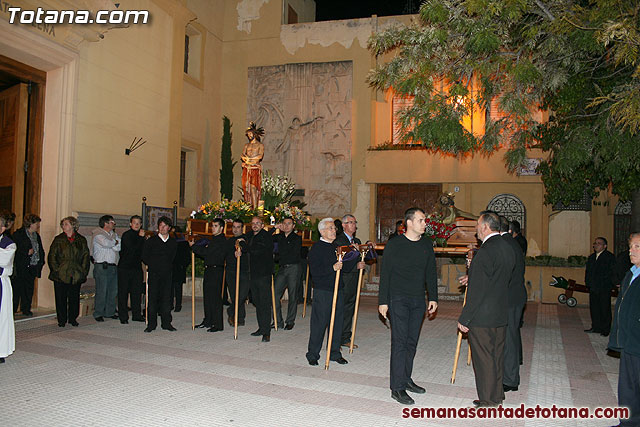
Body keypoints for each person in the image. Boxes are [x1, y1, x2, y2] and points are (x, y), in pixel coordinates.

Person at [378, 207, 438, 405]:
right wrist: (383, 301)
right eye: (421, 220)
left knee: (411, 342)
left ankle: (406, 378)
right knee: (400, 342)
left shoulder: (427, 245)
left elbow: (431, 273)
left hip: (417, 300)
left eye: (424, 220)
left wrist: (433, 298)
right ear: (409, 223)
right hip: (398, 299)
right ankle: (397, 387)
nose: (425, 224)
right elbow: (385, 273)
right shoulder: (395, 244)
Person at [457, 211, 515, 407]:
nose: (476, 231)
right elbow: (496, 280)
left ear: (485, 227)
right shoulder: (508, 247)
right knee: (496, 356)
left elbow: (478, 291)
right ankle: (497, 394)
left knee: (484, 360)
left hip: (483, 316)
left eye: (477, 227)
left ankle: (488, 399)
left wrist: (465, 318)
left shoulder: (485, 251)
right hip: (500, 312)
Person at [306, 218, 361, 366]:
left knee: (337, 322)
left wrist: (356, 258)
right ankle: (312, 354)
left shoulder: (338, 247)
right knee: (319, 323)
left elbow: (346, 267)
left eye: (334, 228)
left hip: (338, 289)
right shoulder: (316, 248)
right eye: (330, 228)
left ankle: (334, 352)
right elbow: (315, 272)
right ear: (322, 231)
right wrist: (332, 268)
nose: (334, 230)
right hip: (323, 291)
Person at [611, 232, 640, 427]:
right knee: (628, 386)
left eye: (637, 247)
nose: (631, 251)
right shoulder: (631, 272)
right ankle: (628, 423)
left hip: (637, 339)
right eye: (631, 247)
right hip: (629, 340)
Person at [499, 216, 526, 393]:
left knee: (508, 339)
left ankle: (509, 380)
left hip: (509, 298)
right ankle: (513, 371)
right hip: (516, 296)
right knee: (512, 335)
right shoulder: (512, 242)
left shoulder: (504, 245)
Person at [48, 216, 90, 327]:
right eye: (63, 224)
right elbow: (52, 256)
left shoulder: (81, 240)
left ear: (73, 225)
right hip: (61, 273)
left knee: (74, 297)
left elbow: (85, 256)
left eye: (66, 224)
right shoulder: (58, 239)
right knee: (60, 297)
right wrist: (57, 270)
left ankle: (73, 318)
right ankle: (61, 320)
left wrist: (83, 271)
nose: (64, 226)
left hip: (75, 273)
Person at [190, 218, 227, 332]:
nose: (213, 228)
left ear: (221, 228)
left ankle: (217, 324)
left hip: (216, 271)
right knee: (208, 297)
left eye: (215, 226)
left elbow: (207, 253)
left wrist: (193, 246)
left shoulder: (220, 240)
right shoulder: (214, 239)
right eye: (212, 226)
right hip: (210, 270)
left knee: (215, 298)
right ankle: (208, 320)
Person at [142, 216, 177, 332]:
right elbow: (145, 256)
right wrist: (154, 265)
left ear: (169, 228)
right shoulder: (151, 241)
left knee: (166, 299)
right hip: (154, 274)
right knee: (152, 299)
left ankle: (166, 323)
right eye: (160, 226)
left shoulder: (172, 242)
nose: (162, 228)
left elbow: (173, 257)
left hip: (167, 274)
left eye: (165, 226)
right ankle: (151, 324)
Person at [334, 214, 363, 347]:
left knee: (349, 309)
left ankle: (345, 337)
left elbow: (360, 257)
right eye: (351, 222)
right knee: (340, 309)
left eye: (355, 222)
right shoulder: (339, 241)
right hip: (343, 279)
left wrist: (361, 262)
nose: (354, 225)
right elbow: (343, 261)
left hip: (354, 279)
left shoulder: (356, 240)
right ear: (344, 225)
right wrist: (355, 254)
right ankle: (335, 339)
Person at [11, 214, 45, 316]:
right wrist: (26, 252)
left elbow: (40, 249)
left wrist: (41, 261)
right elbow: (14, 250)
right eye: (36, 223)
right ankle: (13, 309)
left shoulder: (36, 235)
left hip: (33, 266)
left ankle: (26, 308)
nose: (38, 225)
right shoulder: (19, 235)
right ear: (30, 223)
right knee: (18, 289)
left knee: (29, 288)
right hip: (22, 266)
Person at [272, 217, 302, 330]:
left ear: (293, 226)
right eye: (284, 224)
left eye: (289, 224)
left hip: (293, 268)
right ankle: (277, 320)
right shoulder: (278, 237)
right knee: (274, 294)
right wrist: (275, 227)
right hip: (282, 268)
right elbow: (264, 238)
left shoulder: (297, 238)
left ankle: (290, 321)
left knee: (292, 295)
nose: (286, 226)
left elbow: (292, 254)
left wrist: (278, 256)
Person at [247, 216, 274, 342]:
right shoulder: (250, 235)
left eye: (257, 223)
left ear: (262, 225)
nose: (255, 225)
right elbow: (242, 239)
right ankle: (261, 327)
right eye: (253, 223)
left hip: (264, 274)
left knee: (264, 303)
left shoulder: (266, 236)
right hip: (253, 274)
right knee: (257, 302)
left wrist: (244, 245)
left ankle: (266, 332)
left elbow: (256, 250)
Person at [584, 237, 616, 336]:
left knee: (604, 308)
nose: (596, 245)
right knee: (594, 308)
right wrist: (588, 282)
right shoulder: (592, 257)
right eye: (595, 243)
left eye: (599, 243)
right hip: (593, 287)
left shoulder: (609, 257)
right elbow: (588, 271)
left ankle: (605, 329)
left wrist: (607, 283)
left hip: (604, 287)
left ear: (604, 246)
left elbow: (611, 272)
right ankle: (596, 327)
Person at [117, 215, 146, 324]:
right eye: (135, 223)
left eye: (139, 223)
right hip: (125, 268)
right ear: (130, 224)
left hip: (136, 268)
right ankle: (123, 316)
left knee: (136, 292)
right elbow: (132, 249)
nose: (137, 225)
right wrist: (140, 238)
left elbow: (143, 251)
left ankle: (136, 315)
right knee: (123, 292)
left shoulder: (141, 237)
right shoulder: (127, 235)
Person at [92, 215, 121, 322]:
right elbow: (106, 243)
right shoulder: (98, 234)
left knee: (113, 290)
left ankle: (110, 311)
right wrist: (114, 242)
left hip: (113, 266)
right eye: (112, 222)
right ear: (106, 223)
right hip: (102, 266)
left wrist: (114, 242)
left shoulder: (114, 234)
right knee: (102, 290)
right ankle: (98, 313)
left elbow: (118, 247)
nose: (114, 224)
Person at [225, 219, 249, 327]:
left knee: (242, 295)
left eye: (238, 227)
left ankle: (231, 311)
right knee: (234, 295)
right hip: (231, 271)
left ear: (242, 228)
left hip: (243, 271)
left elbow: (246, 248)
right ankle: (239, 318)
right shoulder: (229, 241)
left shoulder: (245, 238)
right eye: (234, 227)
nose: (235, 229)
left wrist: (241, 249)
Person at [0, 212, 17, 363]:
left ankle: (0, 350)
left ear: (2, 228)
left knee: (2, 318)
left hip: (1, 283)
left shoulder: (9, 243)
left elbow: (4, 260)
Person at [241, 122, 265, 208]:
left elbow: (260, 156)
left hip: (254, 168)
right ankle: (248, 208)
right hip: (247, 168)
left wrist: (250, 160)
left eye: (250, 134)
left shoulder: (260, 145)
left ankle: (254, 209)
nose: (249, 136)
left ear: (254, 134)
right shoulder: (246, 145)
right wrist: (246, 160)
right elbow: (242, 155)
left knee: (253, 188)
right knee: (246, 189)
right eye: (248, 135)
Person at [170, 226, 191, 313]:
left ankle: (178, 305)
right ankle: (170, 304)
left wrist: (183, 265)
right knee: (170, 288)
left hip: (179, 267)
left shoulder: (183, 243)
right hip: (171, 267)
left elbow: (187, 257)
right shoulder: (170, 242)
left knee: (178, 288)